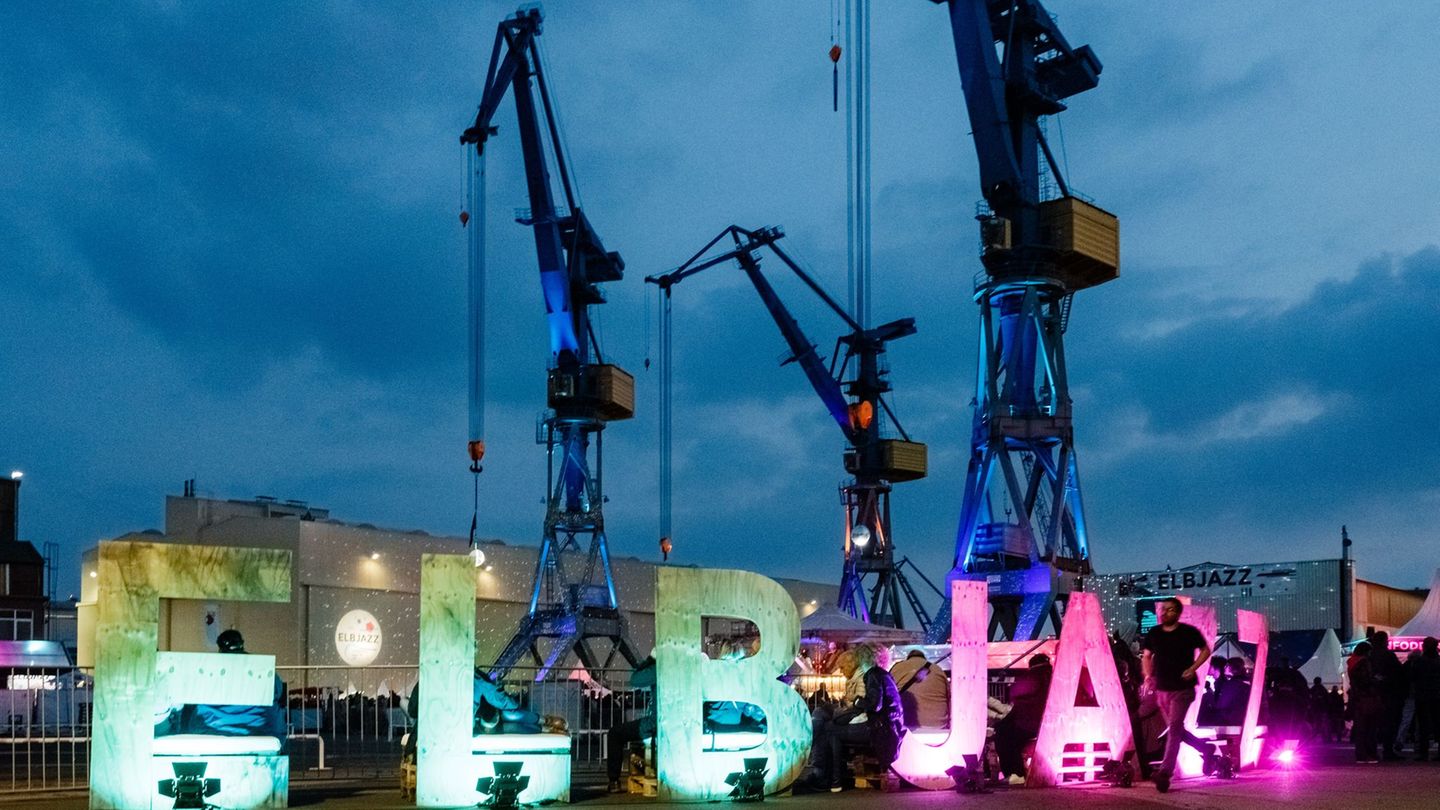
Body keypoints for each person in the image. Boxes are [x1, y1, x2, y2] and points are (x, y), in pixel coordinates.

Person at [1141, 598, 1214, 793]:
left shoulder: (1188, 632)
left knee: (1174, 729)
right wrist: (1148, 675)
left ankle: (1165, 773)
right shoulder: (1154, 633)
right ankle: (1206, 749)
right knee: (1176, 729)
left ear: (1178, 613)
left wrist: (1193, 668)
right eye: (1163, 609)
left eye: (1170, 610)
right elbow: (1146, 656)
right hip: (1162, 689)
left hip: (1183, 688)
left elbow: (1206, 650)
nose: (1164, 613)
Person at [811, 643, 904, 792]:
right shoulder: (883, 674)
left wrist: (857, 701)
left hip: (878, 728)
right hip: (889, 726)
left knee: (829, 729)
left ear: (864, 658)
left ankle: (832, 780)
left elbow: (875, 705)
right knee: (830, 728)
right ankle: (833, 780)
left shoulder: (872, 674)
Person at [188, 629, 287, 739]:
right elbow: (277, 691)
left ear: (220, 648)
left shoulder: (208, 669)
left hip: (211, 728)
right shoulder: (261, 668)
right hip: (256, 730)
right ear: (242, 643)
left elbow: (194, 695)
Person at [993, 653, 1052, 786]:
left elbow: (1016, 692)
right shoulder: (1053, 677)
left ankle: (1015, 773)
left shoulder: (1034, 676)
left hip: (1032, 724)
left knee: (1004, 735)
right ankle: (1017, 773)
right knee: (1007, 729)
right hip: (1050, 723)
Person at [606, 656, 656, 792]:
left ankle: (614, 781)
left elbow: (634, 679)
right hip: (680, 724)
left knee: (615, 733)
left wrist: (650, 660)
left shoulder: (659, 669)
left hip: (655, 724)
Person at [1369, 631, 1409, 760]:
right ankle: (1388, 750)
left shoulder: (1370, 655)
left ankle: (1373, 751)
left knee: (1376, 724)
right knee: (1390, 723)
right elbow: (1399, 673)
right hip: (1390, 694)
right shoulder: (1388, 655)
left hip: (1375, 694)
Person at [890, 650, 949, 730]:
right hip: (938, 726)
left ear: (908, 658)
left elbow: (888, 694)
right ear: (924, 659)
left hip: (904, 726)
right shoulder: (938, 669)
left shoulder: (897, 667)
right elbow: (949, 698)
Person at [1348, 641, 1382, 763]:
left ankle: (1360, 755)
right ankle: (1370, 754)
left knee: (1361, 728)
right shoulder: (1364, 662)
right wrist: (1376, 680)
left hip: (1357, 699)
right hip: (1368, 698)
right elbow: (1366, 680)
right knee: (1370, 728)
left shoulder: (1352, 662)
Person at [1410, 637, 1440, 761]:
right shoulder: (1438, 661)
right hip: (1437, 696)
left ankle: (1423, 752)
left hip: (1422, 696)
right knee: (1438, 724)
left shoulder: (1420, 661)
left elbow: (1412, 677)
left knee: (1423, 726)